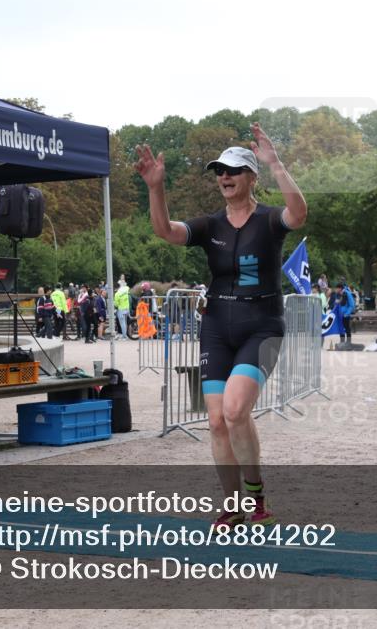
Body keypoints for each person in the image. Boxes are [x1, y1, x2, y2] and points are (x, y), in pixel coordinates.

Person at [136, 121, 307, 528]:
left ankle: (256, 496)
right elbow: (165, 230)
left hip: (262, 327)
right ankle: (232, 505)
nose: (224, 176)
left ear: (251, 176)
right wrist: (155, 187)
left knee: (234, 411)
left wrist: (277, 163)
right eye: (219, 171)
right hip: (217, 327)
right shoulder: (211, 225)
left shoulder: (268, 220)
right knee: (214, 421)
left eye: (232, 170)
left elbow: (298, 214)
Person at [334, 282, 356, 347]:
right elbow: (336, 304)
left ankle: (348, 342)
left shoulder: (347, 293)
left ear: (340, 288)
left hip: (345, 315)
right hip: (339, 315)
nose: (336, 290)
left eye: (337, 288)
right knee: (340, 328)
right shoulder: (338, 294)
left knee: (347, 328)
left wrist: (347, 313)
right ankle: (342, 342)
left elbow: (352, 305)